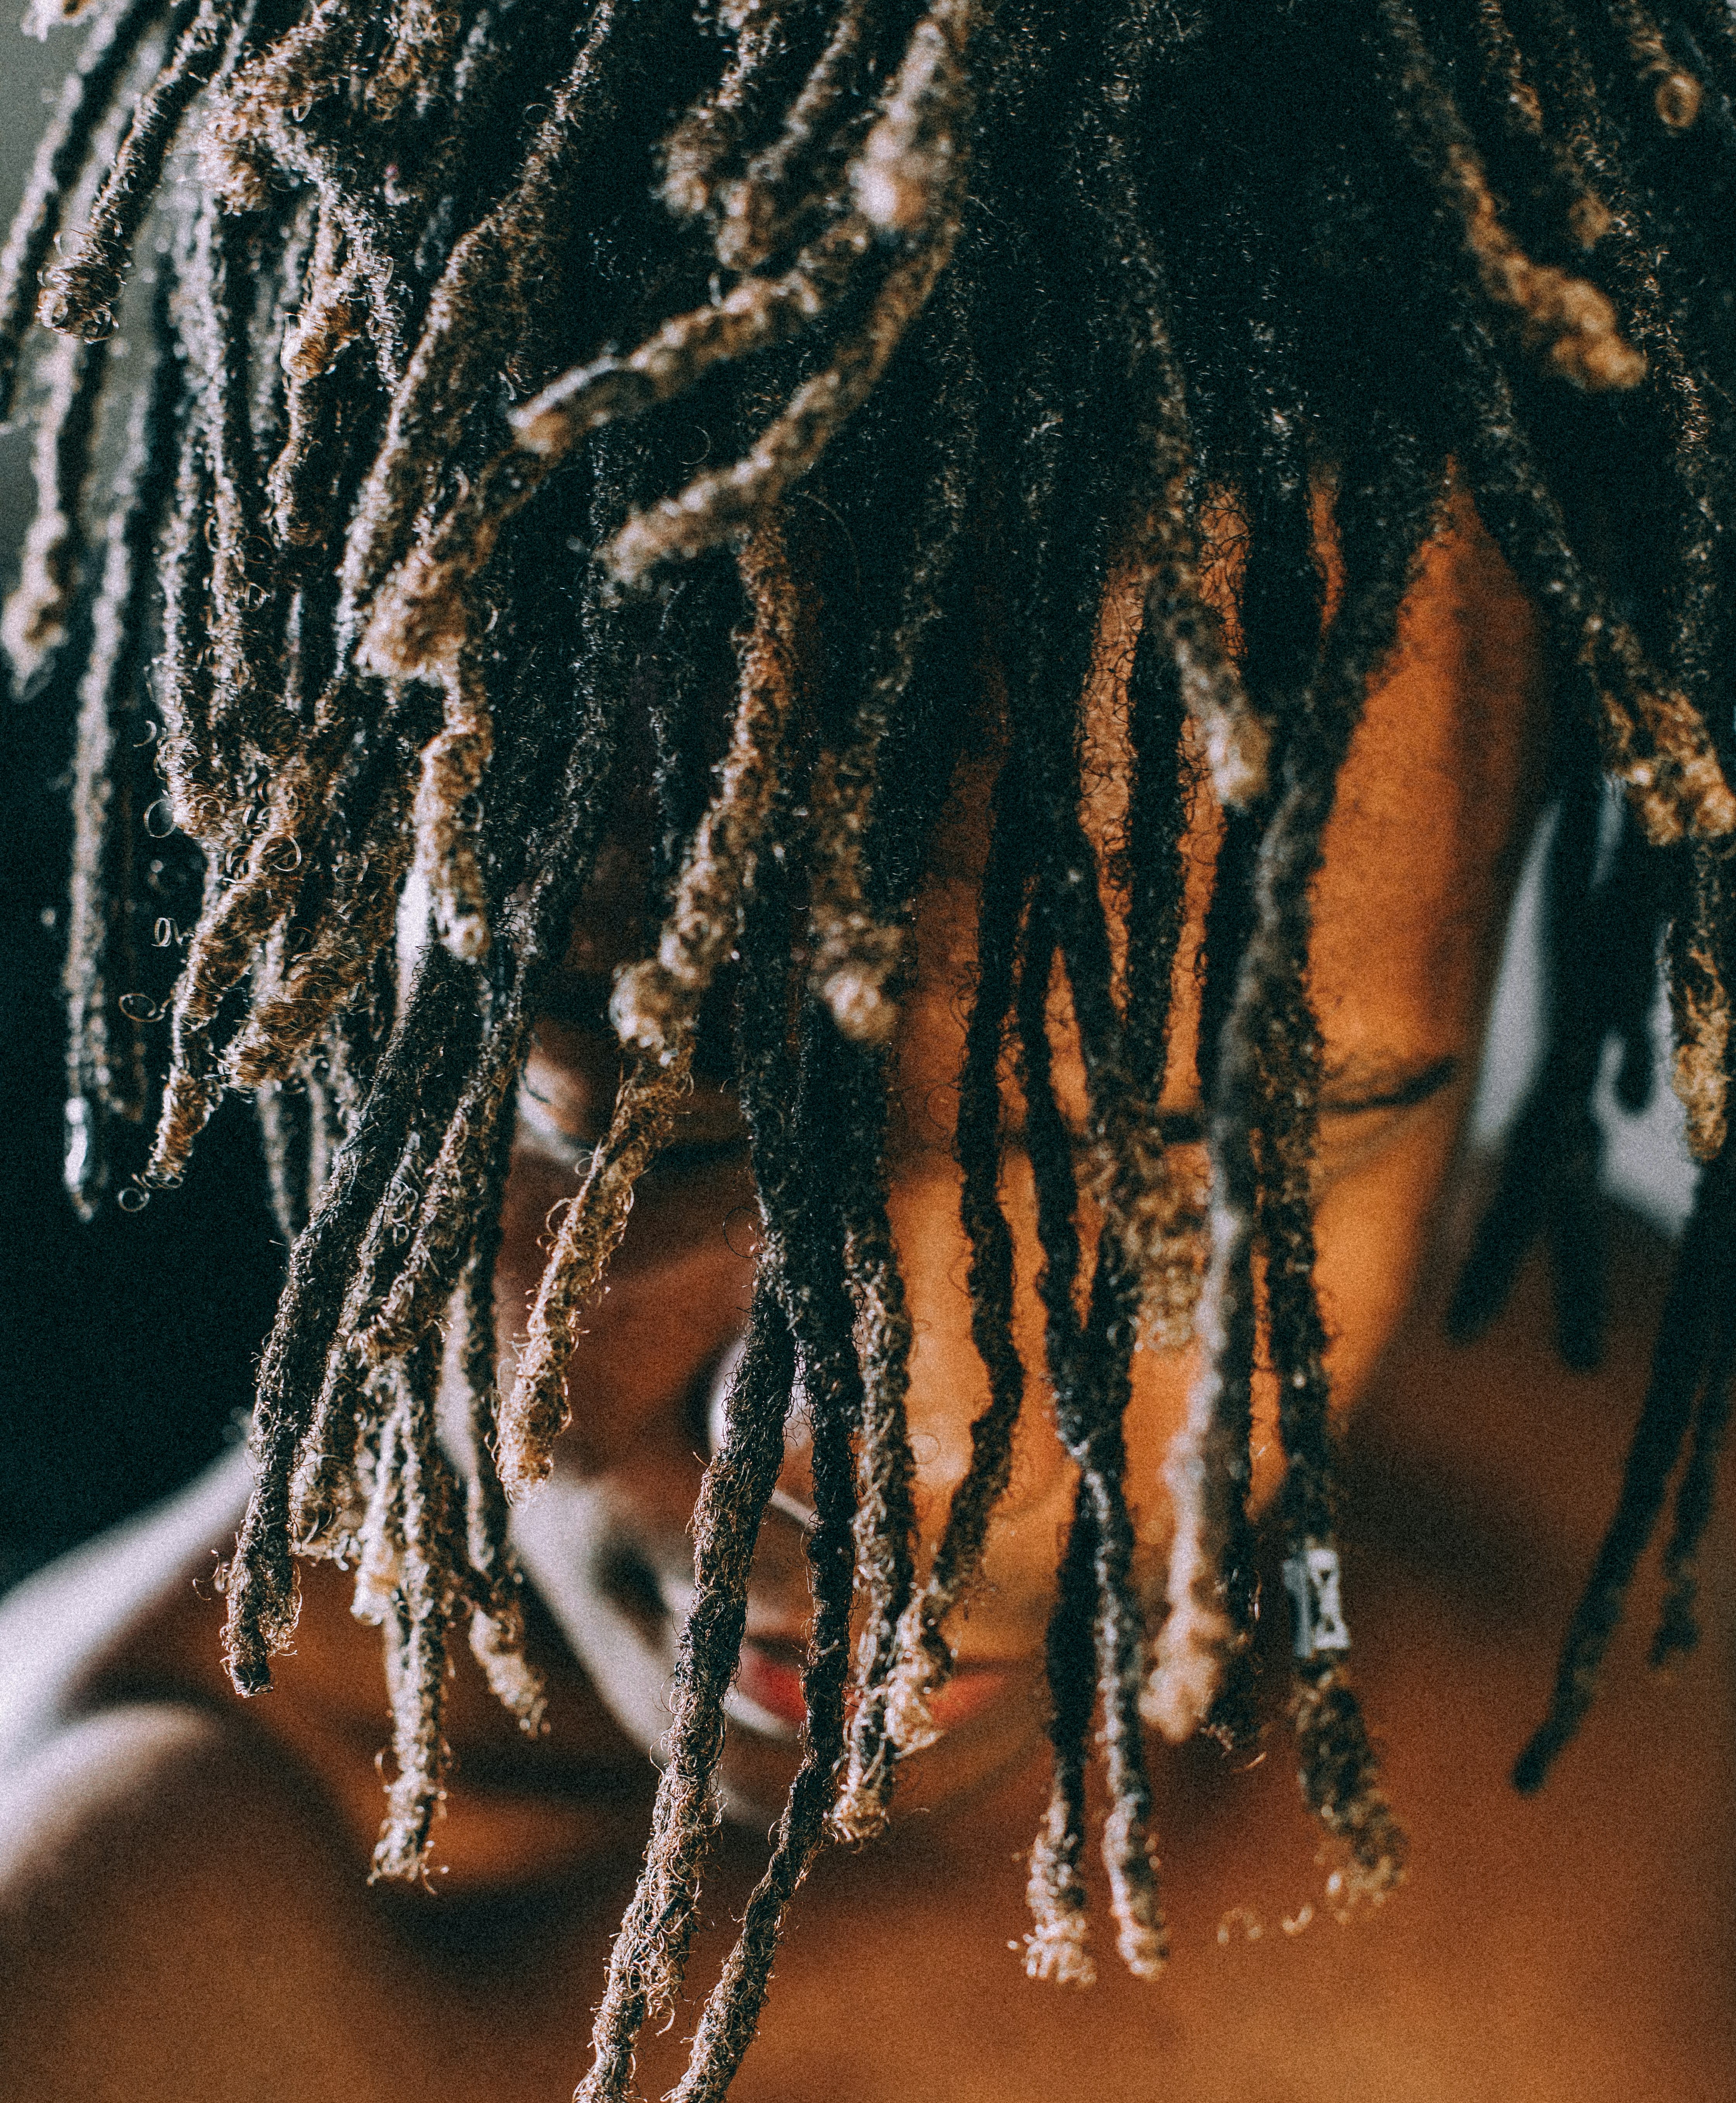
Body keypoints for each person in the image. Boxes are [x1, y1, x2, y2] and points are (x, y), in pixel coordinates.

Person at [1, 0, 1732, 2096]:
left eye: (1185, 1180)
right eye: (647, 1114)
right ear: (323, 896)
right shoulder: (145, 1973)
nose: (881, 1457)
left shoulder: (1671, 1610)